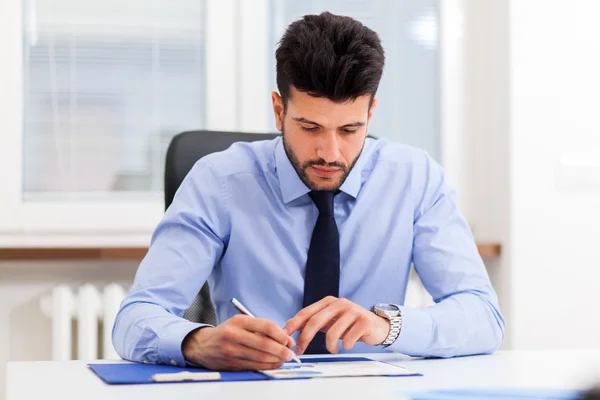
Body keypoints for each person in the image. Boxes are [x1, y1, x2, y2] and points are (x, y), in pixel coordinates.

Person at [112, 12, 505, 371]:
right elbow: (135, 317)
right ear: (279, 111)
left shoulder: (415, 178)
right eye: (310, 127)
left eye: (350, 130)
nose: (330, 153)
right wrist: (197, 342)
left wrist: (386, 325)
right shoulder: (219, 180)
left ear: (371, 113)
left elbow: (483, 317)